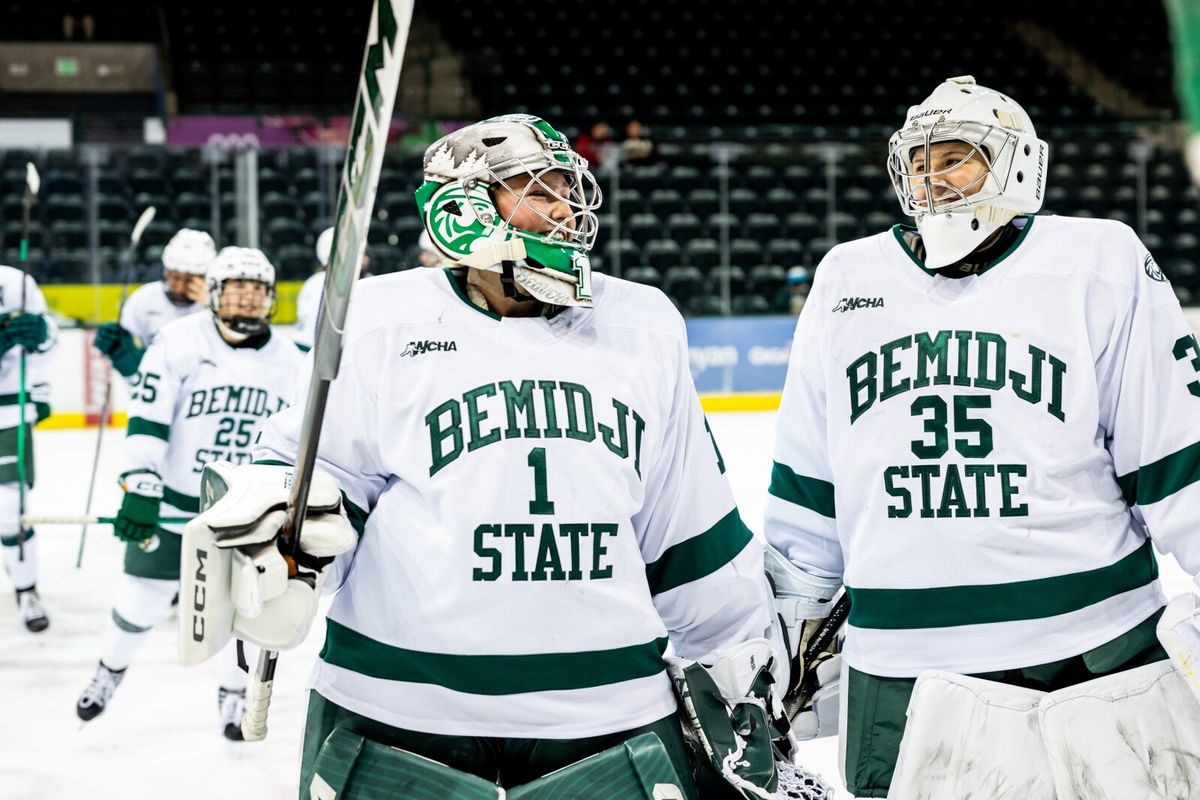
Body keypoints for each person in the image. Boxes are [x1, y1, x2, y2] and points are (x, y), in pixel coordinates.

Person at [181, 114, 800, 799]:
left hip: (608, 713)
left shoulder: (643, 323)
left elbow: (686, 523)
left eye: (570, 188)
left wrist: (739, 670)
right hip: (397, 713)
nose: (566, 208)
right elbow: (317, 483)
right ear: (462, 212)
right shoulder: (379, 319)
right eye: (540, 189)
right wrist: (286, 549)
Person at [764, 75, 1200, 798]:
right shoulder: (847, 279)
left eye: (956, 155)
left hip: (1090, 655)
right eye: (919, 161)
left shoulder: (1099, 261)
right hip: (902, 668)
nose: (933, 178)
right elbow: (808, 490)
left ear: (1018, 164)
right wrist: (785, 646)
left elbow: (1179, 458)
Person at [75, 246, 304, 740]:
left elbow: (296, 445)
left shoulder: (291, 360)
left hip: (245, 512)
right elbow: (148, 421)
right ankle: (109, 672)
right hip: (175, 503)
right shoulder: (176, 341)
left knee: (239, 610)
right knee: (141, 599)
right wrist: (140, 486)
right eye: (237, 290)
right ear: (215, 295)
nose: (247, 301)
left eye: (257, 291)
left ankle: (232, 695)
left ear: (270, 299)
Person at [0, 267, 56, 633]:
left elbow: (49, 340)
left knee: (11, 508)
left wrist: (42, 336)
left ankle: (26, 588)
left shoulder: (15, 281)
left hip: (8, 411)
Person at [93, 228, 213, 378]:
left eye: (189, 280)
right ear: (166, 271)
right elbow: (125, 348)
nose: (180, 286)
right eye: (175, 277)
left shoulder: (216, 305)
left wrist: (212, 307)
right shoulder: (144, 299)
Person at [294, 226, 371, 351]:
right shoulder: (318, 284)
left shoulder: (368, 280)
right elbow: (307, 342)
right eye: (360, 252)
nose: (366, 259)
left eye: (364, 253)